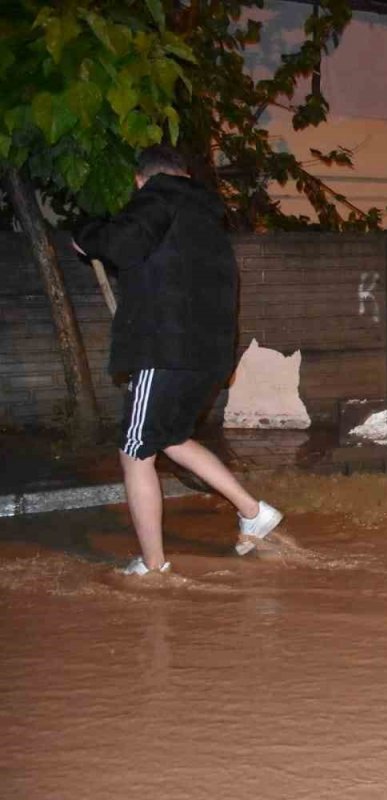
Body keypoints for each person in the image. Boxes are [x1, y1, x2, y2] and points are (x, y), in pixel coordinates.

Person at [74, 145, 282, 576]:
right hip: (209, 355)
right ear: (184, 172)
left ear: (140, 179)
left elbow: (121, 245)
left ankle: (152, 566)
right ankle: (252, 511)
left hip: (167, 351)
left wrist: (86, 234)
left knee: (135, 451)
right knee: (170, 437)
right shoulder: (205, 220)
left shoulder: (158, 197)